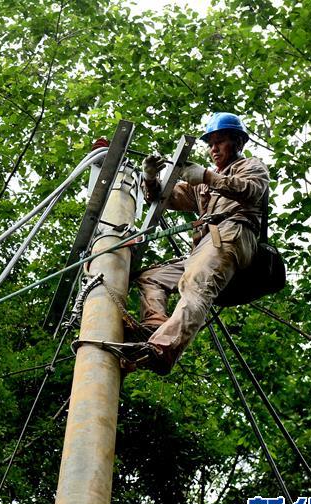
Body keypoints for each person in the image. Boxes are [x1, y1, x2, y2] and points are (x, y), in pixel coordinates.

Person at [111, 112, 270, 374]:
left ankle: (164, 349)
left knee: (195, 284)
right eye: (210, 144)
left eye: (220, 142)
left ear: (238, 142)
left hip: (232, 236)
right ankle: (154, 327)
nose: (214, 149)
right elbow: (164, 198)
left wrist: (207, 176)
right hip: (206, 246)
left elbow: (250, 190)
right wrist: (150, 178)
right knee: (151, 277)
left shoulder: (250, 166)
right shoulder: (201, 186)